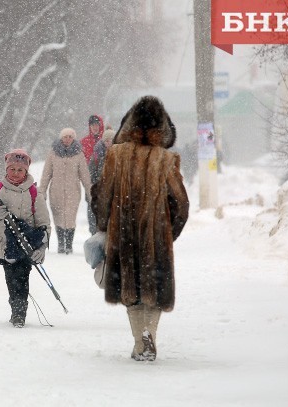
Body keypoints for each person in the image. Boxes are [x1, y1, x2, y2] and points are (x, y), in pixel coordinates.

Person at [91, 95, 189, 361]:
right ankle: (150, 336)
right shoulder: (166, 160)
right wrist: (169, 232)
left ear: (129, 125)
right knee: (154, 292)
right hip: (156, 237)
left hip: (122, 236)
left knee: (130, 292)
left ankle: (139, 341)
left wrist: (104, 225)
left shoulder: (115, 155)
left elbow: (102, 197)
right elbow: (181, 204)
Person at [0, 149, 51, 328]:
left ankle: (20, 314)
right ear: (6, 169)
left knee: (22, 277)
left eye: (20, 170)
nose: (16, 173)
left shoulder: (34, 192)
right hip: (5, 246)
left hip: (26, 245)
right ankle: (15, 309)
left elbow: (44, 223)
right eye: (12, 169)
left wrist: (42, 248)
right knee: (11, 279)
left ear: (26, 171)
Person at [39, 128, 92, 254]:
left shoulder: (79, 154)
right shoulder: (53, 153)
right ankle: (61, 244)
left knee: (70, 217)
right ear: (61, 138)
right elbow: (46, 174)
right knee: (58, 217)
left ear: (73, 138)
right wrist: (42, 191)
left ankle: (69, 244)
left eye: (70, 137)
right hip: (56, 191)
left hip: (73, 191)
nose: (67, 139)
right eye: (65, 137)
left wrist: (90, 192)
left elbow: (85, 175)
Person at [87, 127, 116, 234]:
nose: (109, 143)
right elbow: (91, 171)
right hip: (100, 189)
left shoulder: (120, 155)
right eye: (107, 140)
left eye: (111, 140)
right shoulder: (97, 154)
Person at [81, 115, 105, 234]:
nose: (94, 127)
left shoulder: (106, 140)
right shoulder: (84, 142)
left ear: (101, 126)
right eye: (92, 125)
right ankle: (93, 232)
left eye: (97, 125)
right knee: (91, 206)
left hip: (104, 180)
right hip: (89, 180)